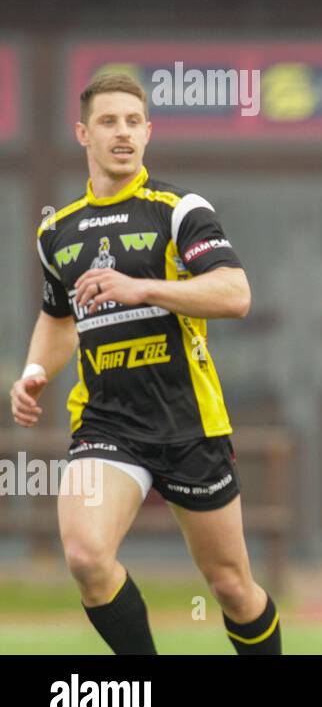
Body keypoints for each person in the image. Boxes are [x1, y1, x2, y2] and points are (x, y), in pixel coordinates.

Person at [9, 73, 279, 655]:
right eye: (109, 122)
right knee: (85, 555)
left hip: (189, 424)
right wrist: (34, 372)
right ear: (83, 133)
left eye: (134, 122)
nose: (123, 133)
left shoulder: (179, 210)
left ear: (149, 132)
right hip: (108, 423)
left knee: (232, 586)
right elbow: (58, 318)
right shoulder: (57, 231)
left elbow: (235, 293)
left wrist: (144, 289)